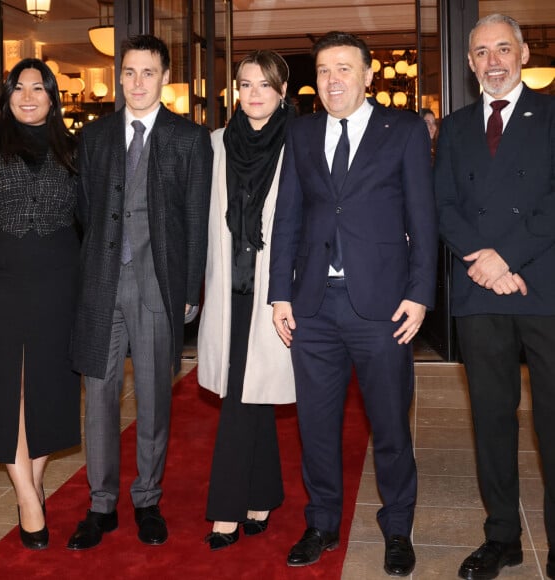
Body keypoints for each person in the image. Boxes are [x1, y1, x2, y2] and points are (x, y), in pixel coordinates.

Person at [268, 31, 437, 575]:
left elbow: (422, 218)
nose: (332, 79)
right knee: (316, 426)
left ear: (368, 75)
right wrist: (279, 295)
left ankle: (397, 528)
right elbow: (288, 216)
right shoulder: (301, 132)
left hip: (384, 307)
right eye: (322, 70)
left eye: (344, 68)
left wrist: (419, 294)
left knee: (389, 425)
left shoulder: (405, 130)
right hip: (313, 306)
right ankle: (321, 523)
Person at [66, 34, 212, 550]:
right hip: (102, 285)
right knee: (98, 399)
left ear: (165, 78)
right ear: (120, 75)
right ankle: (101, 505)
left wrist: (192, 286)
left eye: (148, 73)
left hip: (157, 287)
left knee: (154, 401)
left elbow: (196, 219)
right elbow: (84, 208)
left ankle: (147, 499)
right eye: (128, 72)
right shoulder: (96, 136)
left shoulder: (188, 139)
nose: (137, 83)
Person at [435, 13, 555, 580]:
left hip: (543, 286)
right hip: (481, 291)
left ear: (524, 53)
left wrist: (506, 257)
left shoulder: (553, 116)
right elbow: (443, 208)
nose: (493, 61)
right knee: (492, 419)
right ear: (470, 63)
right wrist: (486, 262)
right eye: (481, 52)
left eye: (503, 48)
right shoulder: (456, 127)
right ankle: (502, 536)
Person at [0, 58, 81, 550]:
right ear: (7, 97)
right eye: (20, 88)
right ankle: (27, 497)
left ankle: (33, 480)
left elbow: (90, 224)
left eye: (39, 87)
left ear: (53, 97)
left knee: (49, 387)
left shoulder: (74, 153)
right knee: (5, 390)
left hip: (60, 283)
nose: (29, 95)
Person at [197, 50, 295, 551]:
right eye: (244, 84)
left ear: (282, 90)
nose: (252, 94)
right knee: (246, 393)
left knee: (243, 396)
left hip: (275, 294)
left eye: (263, 84)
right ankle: (263, 494)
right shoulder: (214, 144)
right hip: (228, 291)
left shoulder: (298, 143)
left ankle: (226, 510)